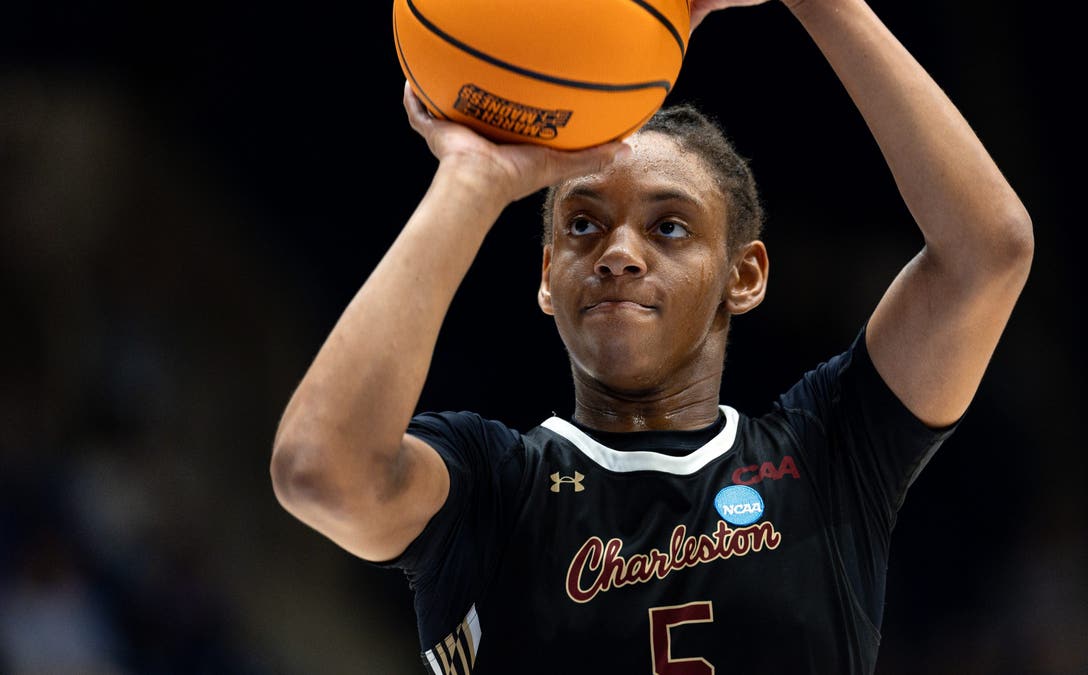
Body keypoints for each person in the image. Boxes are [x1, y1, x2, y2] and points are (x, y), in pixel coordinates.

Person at [270, 0, 1034, 672]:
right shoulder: (491, 489)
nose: (620, 253)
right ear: (545, 277)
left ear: (746, 275)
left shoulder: (827, 456)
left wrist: (823, 3)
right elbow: (319, 470)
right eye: (582, 224)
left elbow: (988, 252)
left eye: (669, 226)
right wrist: (472, 179)